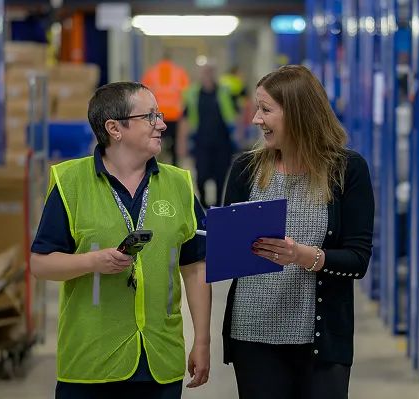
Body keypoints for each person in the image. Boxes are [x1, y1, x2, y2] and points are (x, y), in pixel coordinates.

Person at [29, 82, 211, 399]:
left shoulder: (178, 184)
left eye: (160, 115)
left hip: (159, 359)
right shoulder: (70, 182)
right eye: (150, 116)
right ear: (114, 128)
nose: (162, 124)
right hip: (90, 362)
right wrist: (91, 262)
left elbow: (195, 267)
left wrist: (203, 341)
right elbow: (40, 265)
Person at [220, 65, 375, 399]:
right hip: (253, 333)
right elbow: (228, 254)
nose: (256, 119)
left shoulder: (348, 171)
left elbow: (358, 259)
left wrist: (304, 256)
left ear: (299, 114)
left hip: (320, 339)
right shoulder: (244, 170)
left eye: (266, 110)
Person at [179, 64, 238, 208]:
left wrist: (239, 137)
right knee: (201, 175)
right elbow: (185, 120)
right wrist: (182, 144)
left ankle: (218, 207)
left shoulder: (224, 92)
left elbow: (237, 114)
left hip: (222, 143)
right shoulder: (193, 94)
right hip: (201, 143)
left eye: (210, 72)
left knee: (221, 177)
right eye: (204, 73)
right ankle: (204, 202)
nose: (207, 76)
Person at [142, 52, 191, 166]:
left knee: (156, 142)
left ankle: (156, 166)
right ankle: (174, 166)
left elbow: (143, 93)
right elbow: (186, 93)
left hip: (157, 115)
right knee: (174, 145)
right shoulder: (179, 72)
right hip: (175, 114)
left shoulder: (151, 72)